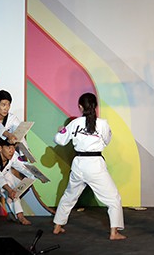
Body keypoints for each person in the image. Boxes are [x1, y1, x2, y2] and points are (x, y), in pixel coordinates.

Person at [52, 92, 126, 240]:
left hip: (79, 164)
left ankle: (58, 226)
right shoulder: (102, 124)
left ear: (80, 107)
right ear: (95, 107)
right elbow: (106, 140)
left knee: (70, 196)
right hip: (95, 164)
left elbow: (59, 140)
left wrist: (61, 130)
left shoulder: (74, 124)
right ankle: (114, 232)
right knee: (113, 198)